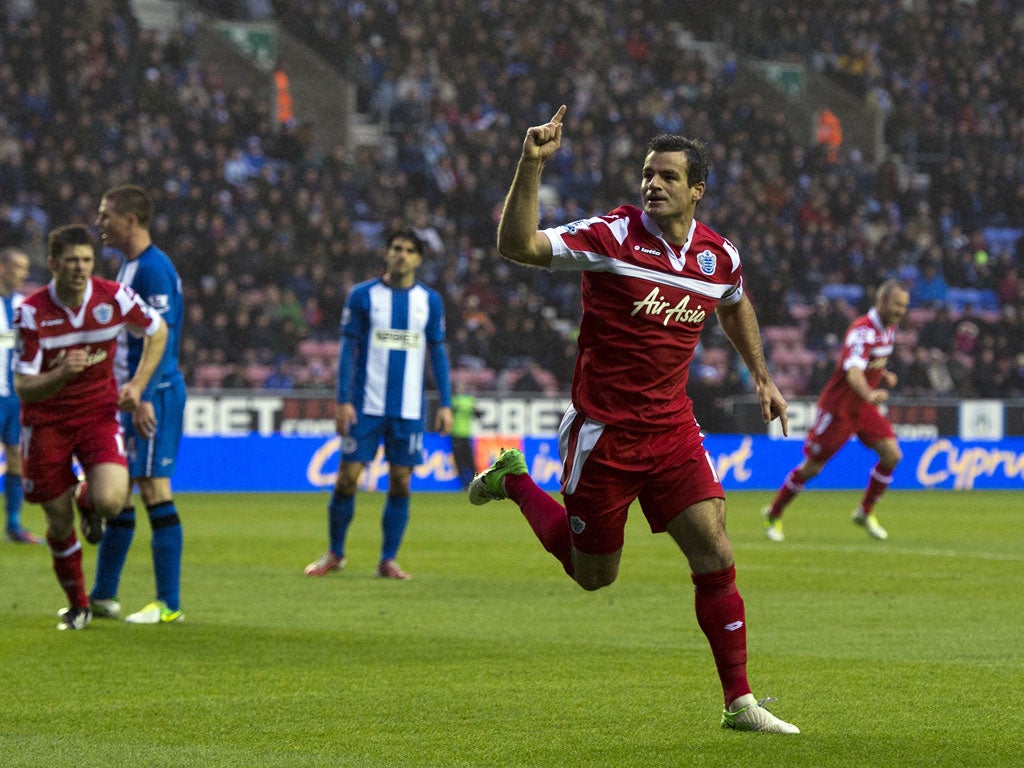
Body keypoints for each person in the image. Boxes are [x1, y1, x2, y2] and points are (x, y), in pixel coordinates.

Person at [470, 107, 799, 734]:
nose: (653, 184)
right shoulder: (611, 237)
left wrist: (761, 374)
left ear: (697, 188)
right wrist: (531, 164)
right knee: (594, 576)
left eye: (669, 177)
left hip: (673, 430)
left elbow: (734, 303)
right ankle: (515, 480)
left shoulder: (716, 255)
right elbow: (518, 246)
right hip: (605, 436)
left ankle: (739, 702)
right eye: (648, 174)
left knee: (716, 551)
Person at [13, 224, 167, 630]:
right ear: (53, 264)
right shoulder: (30, 312)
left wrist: (137, 385)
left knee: (112, 501)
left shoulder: (113, 297)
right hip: (46, 423)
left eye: (86, 259)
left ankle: (88, 499)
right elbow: (24, 387)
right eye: (71, 260)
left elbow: (158, 330)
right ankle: (78, 604)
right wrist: (63, 373)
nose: (80, 267)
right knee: (58, 523)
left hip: (98, 415)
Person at [305, 230, 453, 580]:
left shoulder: (429, 301)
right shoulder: (363, 296)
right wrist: (342, 400)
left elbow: (438, 352)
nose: (401, 255)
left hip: (408, 409)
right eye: (396, 248)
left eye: (409, 251)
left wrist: (445, 403)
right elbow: (346, 351)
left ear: (418, 259)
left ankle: (388, 560)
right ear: (387, 254)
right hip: (365, 404)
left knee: (401, 480)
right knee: (347, 478)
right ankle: (335, 553)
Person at [89, 184, 187, 624]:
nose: (99, 222)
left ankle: (168, 604)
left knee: (152, 489)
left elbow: (161, 337)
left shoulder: (153, 269)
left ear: (130, 221)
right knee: (119, 494)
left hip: (155, 395)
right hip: (130, 397)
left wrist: (144, 394)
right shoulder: (129, 267)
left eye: (106, 215)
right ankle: (104, 596)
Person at [762, 279, 910, 543]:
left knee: (892, 455)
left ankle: (864, 512)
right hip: (839, 409)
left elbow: (868, 364)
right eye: (897, 305)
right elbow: (853, 372)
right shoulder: (861, 331)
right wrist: (870, 393)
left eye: (904, 306)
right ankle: (774, 513)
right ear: (882, 301)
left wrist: (883, 376)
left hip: (863, 409)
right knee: (812, 468)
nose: (901, 310)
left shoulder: (889, 330)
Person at [0, 247, 41, 544]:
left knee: (16, 457)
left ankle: (14, 525)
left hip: (14, 397)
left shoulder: (22, 307)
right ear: (3, 268)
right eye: (19, 267)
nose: (24, 274)